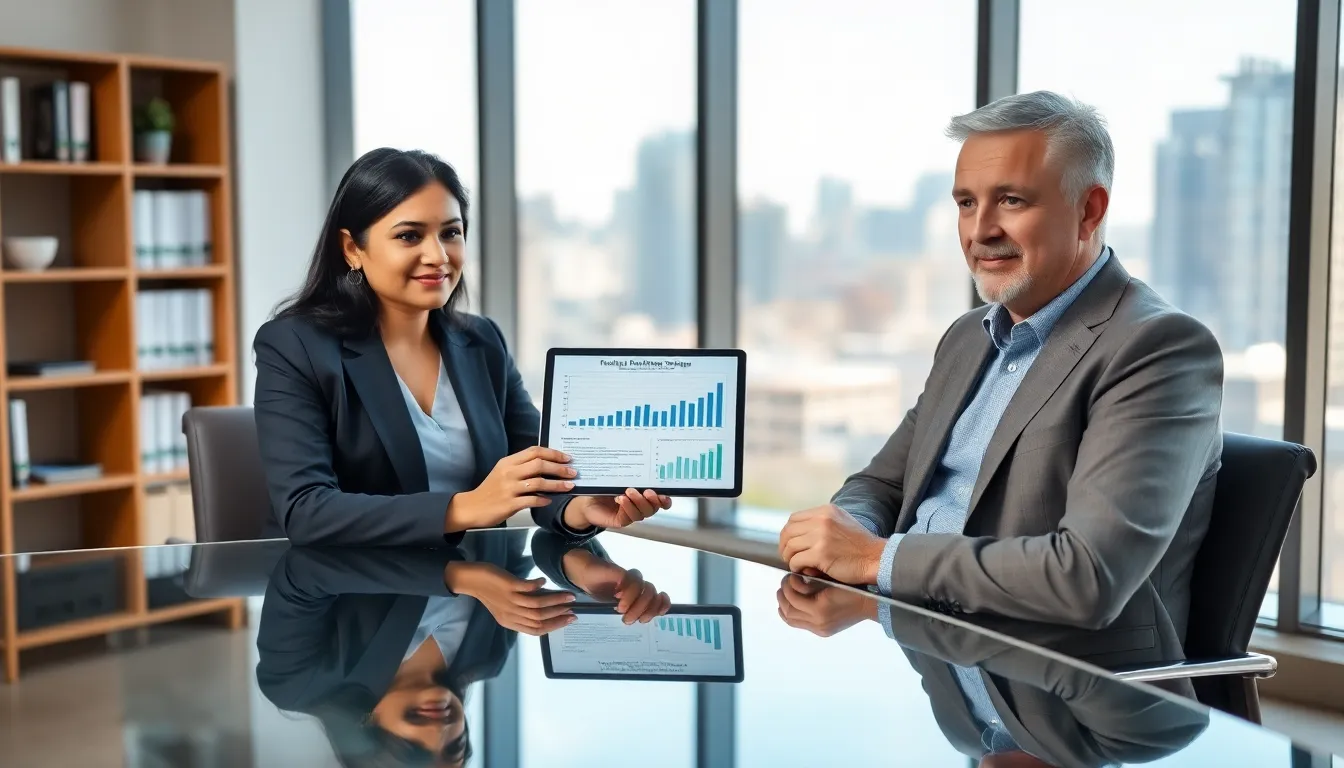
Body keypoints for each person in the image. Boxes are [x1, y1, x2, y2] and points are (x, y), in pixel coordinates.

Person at [778, 91, 1223, 649]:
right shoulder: (969, 337)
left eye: (1011, 200)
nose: (980, 230)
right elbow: (883, 483)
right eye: (966, 203)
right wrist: (842, 537)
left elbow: (1086, 578)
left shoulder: (1158, 348)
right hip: (931, 651)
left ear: (1089, 210)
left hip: (1069, 693)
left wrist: (872, 556)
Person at [254, 148, 671, 546]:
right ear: (352, 249)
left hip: (477, 595)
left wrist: (581, 508)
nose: (438, 255)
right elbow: (305, 510)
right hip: (346, 603)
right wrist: (468, 508)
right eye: (409, 236)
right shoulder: (295, 345)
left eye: (451, 233)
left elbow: (537, 465)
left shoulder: (481, 341)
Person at [256, 529, 671, 766]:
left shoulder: (298, 682)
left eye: (414, 750)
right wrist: (580, 569)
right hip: (486, 456)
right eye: (455, 746)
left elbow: (303, 572)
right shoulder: (484, 657)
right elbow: (524, 542)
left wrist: (460, 578)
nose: (441, 730)